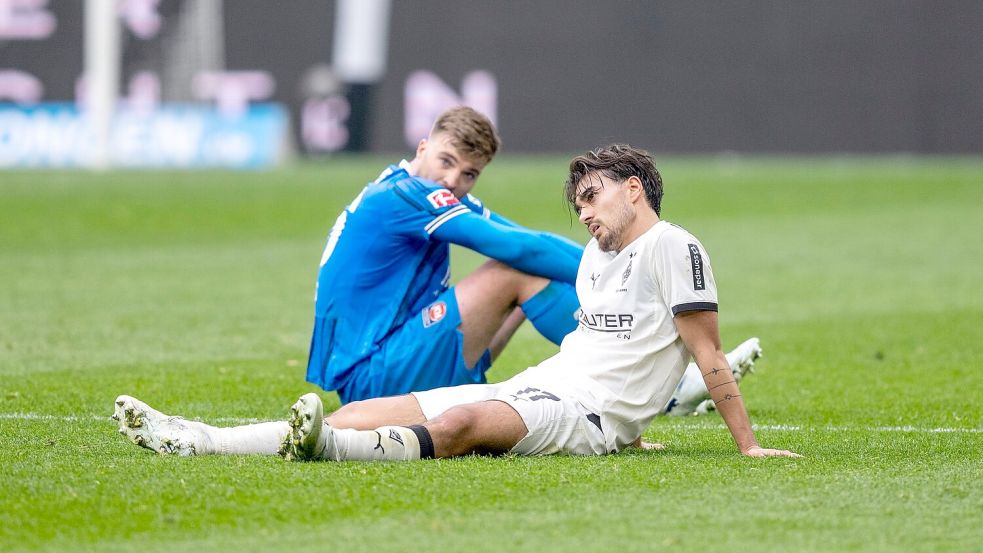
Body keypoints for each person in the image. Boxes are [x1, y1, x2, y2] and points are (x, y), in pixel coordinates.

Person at [113, 144, 798, 460]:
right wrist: (642, 411)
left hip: (580, 416)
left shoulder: (676, 247)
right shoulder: (595, 259)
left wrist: (749, 446)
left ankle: (325, 451)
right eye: (577, 202)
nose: (582, 213)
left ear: (633, 189)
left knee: (465, 419)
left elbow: (705, 349)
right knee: (357, 412)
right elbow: (603, 344)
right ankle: (199, 439)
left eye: (590, 197)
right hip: (542, 383)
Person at [304, 105, 758, 416]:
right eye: (445, 161)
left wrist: (614, 262)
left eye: (469, 174)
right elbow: (520, 251)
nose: (454, 180)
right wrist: (619, 268)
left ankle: (638, 381)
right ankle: (663, 388)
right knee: (514, 271)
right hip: (375, 376)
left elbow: (520, 236)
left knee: (526, 273)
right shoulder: (406, 196)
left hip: (395, 356)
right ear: (422, 148)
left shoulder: (417, 190)